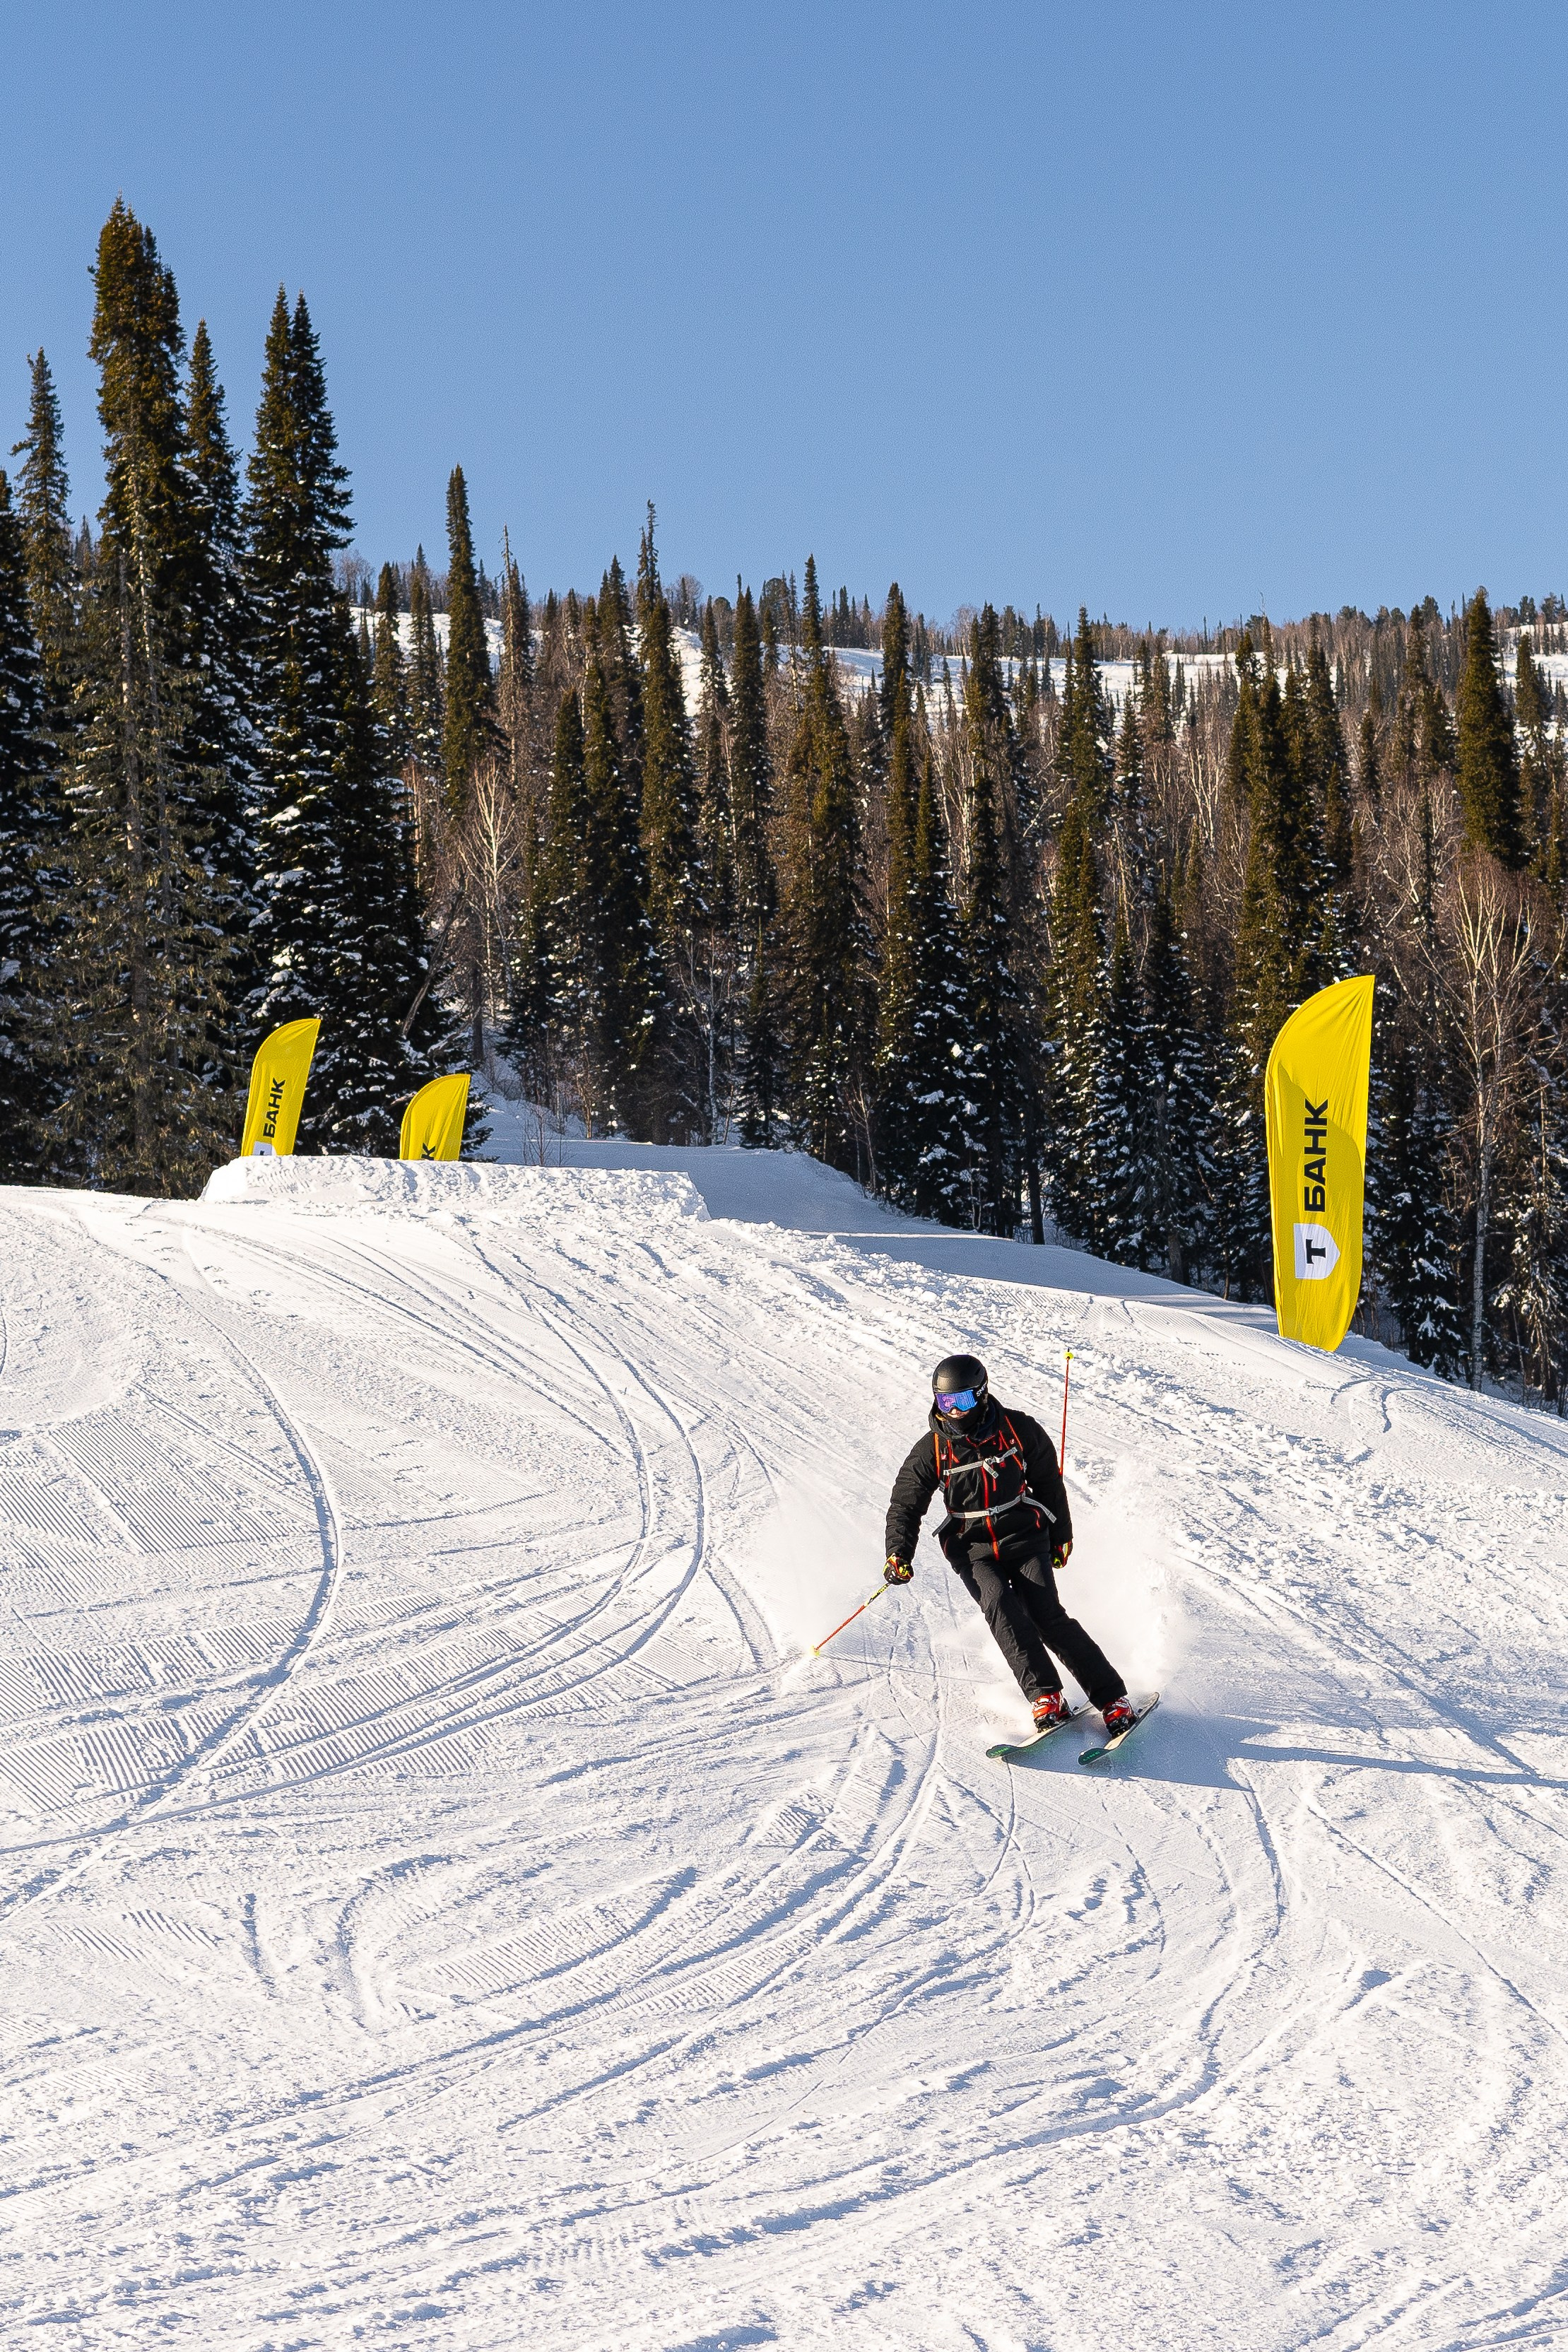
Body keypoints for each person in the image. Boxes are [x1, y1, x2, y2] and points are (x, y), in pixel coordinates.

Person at [883, 1352, 1133, 1736]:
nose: (953, 1411)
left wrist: (1061, 1536)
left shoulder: (1018, 1429)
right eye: (944, 1402)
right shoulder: (933, 1448)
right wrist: (898, 1552)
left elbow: (1048, 1482)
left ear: (981, 1394)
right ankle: (1046, 1696)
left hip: (1024, 1535)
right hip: (972, 1547)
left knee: (1047, 1615)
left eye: (960, 1400)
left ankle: (1112, 1699)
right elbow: (906, 1503)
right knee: (1000, 1605)